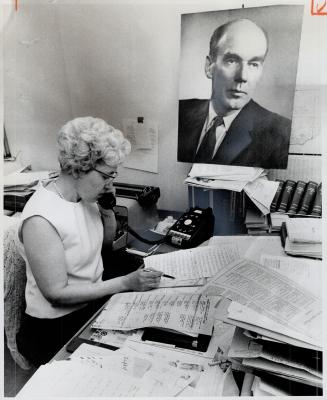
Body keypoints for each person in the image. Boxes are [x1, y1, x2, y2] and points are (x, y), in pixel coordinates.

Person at [16, 116, 162, 365]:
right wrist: (125, 283)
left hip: (90, 303)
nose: (110, 184)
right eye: (107, 176)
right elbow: (56, 294)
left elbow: (103, 245)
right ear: (79, 167)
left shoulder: (83, 197)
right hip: (55, 326)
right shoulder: (41, 219)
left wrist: (106, 208)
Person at [178, 18, 291, 169]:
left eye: (253, 64)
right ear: (209, 67)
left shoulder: (280, 134)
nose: (243, 77)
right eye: (231, 60)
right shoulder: (180, 112)